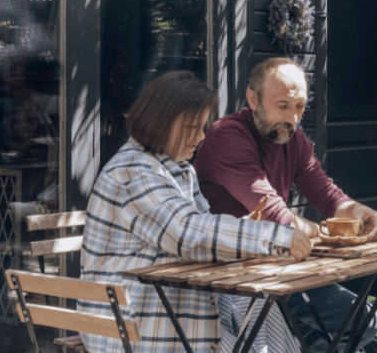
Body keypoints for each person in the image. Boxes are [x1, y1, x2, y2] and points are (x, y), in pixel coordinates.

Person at [78, 70, 312, 353]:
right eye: (192, 128)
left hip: (172, 313)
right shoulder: (132, 171)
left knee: (263, 308)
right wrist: (276, 237)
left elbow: (204, 227)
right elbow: (188, 233)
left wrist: (246, 234)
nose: (201, 137)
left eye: (203, 127)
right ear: (160, 123)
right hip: (135, 328)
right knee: (259, 314)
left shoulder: (177, 168)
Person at [194, 57, 377, 353]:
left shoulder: (291, 139)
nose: (293, 118)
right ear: (253, 100)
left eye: (299, 107)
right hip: (234, 278)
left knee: (367, 331)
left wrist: (354, 209)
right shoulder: (228, 136)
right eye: (283, 106)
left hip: (278, 266)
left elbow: (328, 195)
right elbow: (273, 215)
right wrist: (319, 229)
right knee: (360, 324)